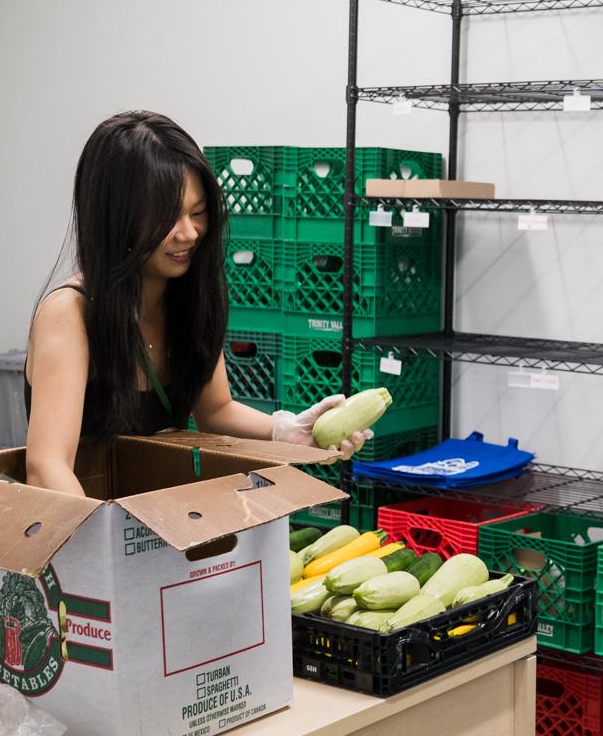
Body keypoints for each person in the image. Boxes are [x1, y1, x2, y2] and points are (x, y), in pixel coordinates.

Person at [24, 111, 369, 494]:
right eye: (166, 217)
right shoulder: (69, 315)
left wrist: (287, 430)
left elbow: (215, 411)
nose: (189, 233)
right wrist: (104, 546)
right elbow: (47, 468)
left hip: (164, 521)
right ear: (114, 218)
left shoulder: (188, 298)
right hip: (86, 527)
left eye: (198, 212)